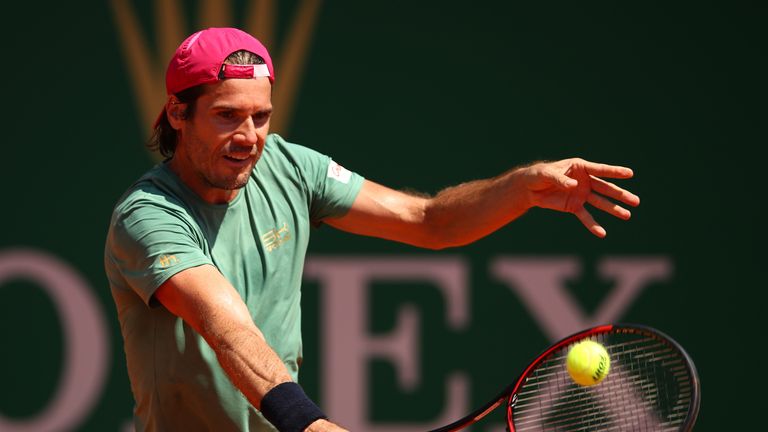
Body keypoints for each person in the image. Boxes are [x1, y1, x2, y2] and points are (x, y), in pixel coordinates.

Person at [104, 27, 640, 432]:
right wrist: (309, 423)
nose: (250, 137)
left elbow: (429, 221)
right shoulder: (148, 217)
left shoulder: (289, 167)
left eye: (261, 117)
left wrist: (520, 188)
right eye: (227, 116)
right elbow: (226, 327)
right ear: (177, 112)